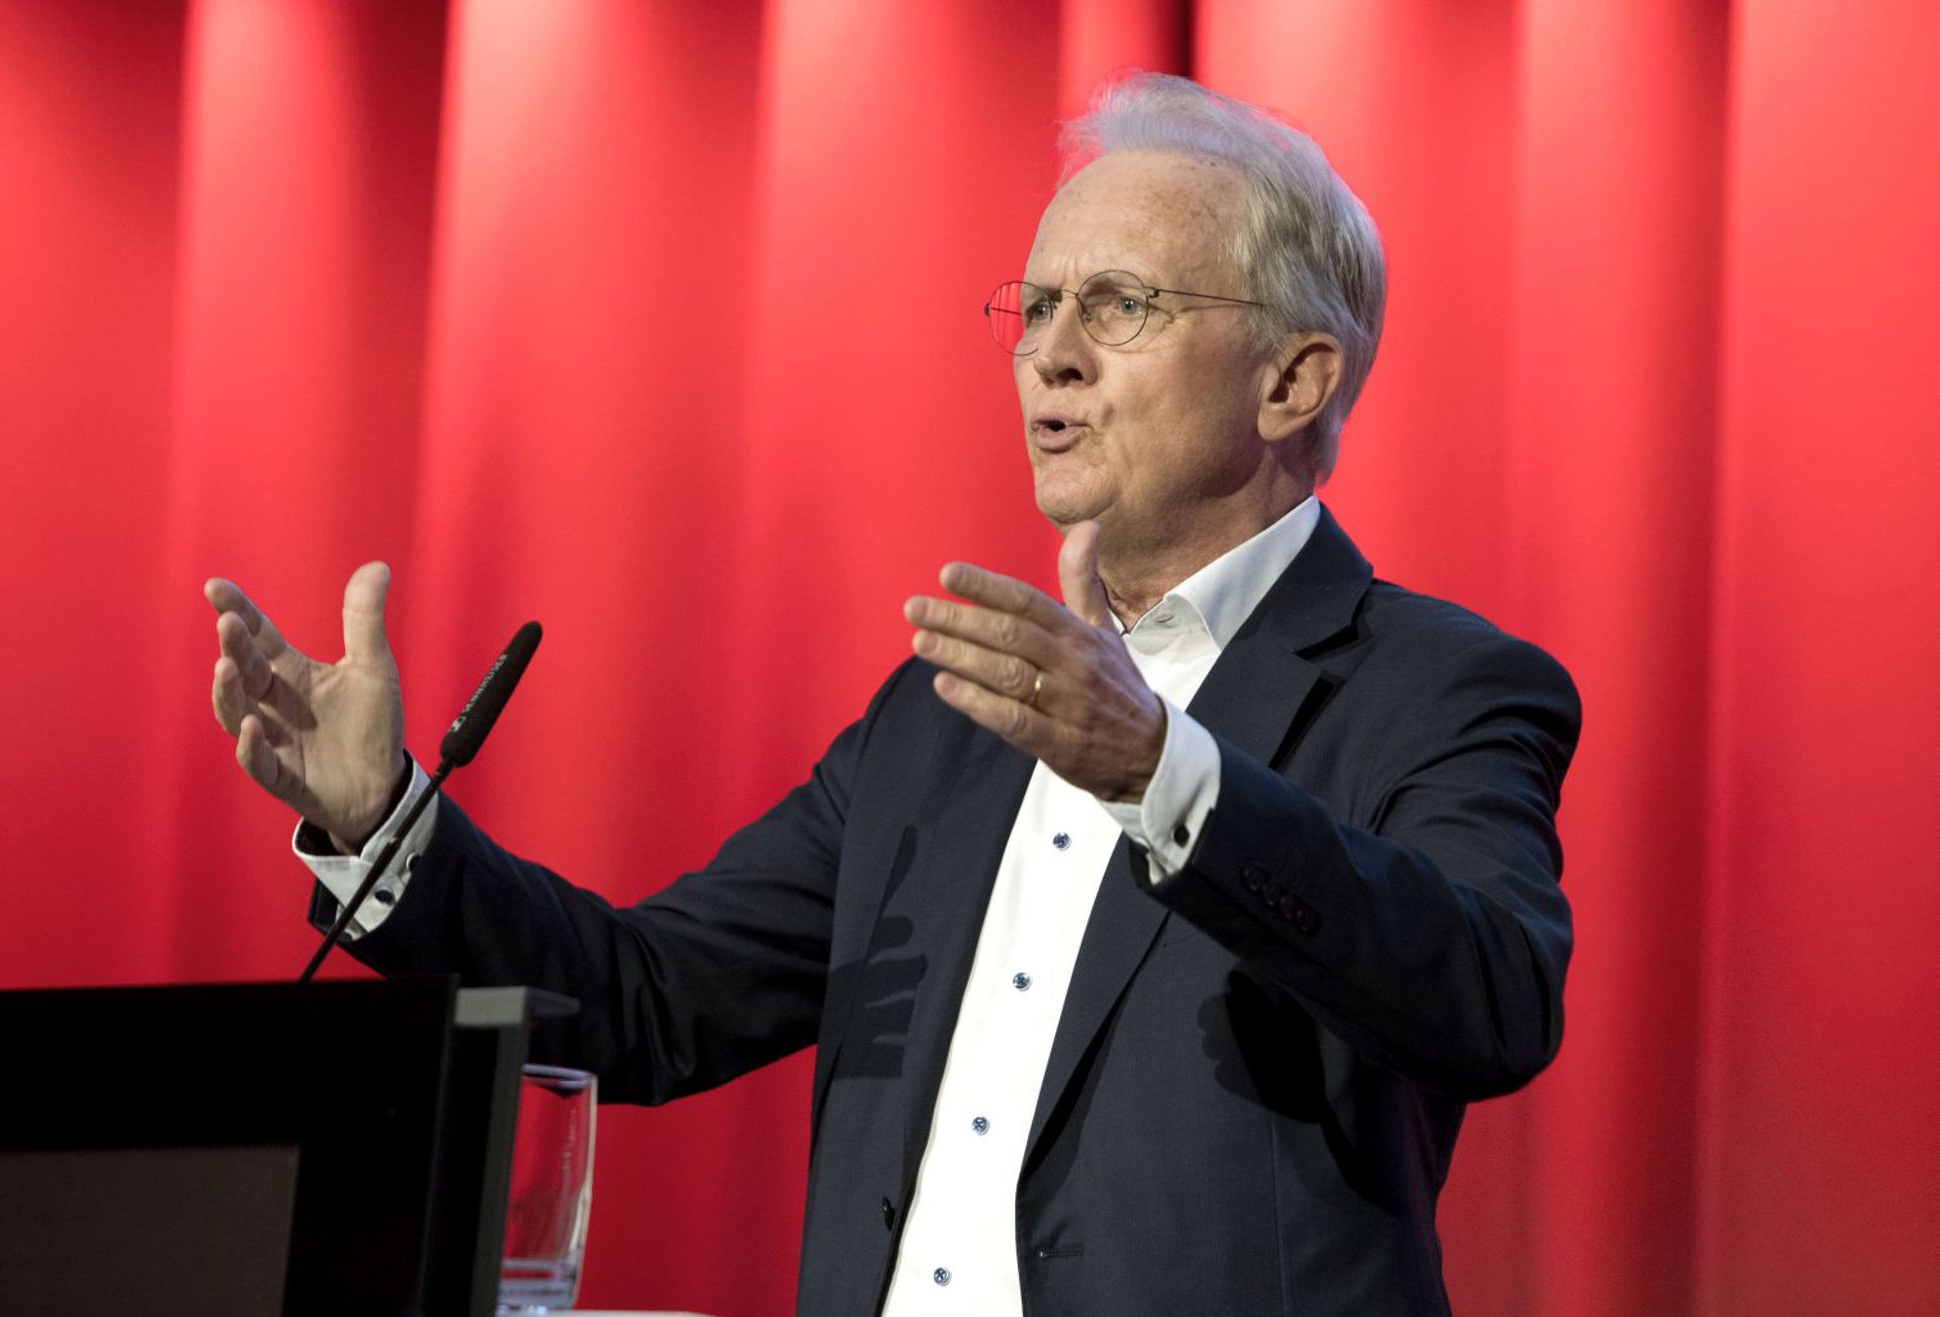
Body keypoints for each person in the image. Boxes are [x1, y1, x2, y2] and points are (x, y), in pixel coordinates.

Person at [206, 73, 1579, 1316]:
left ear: (1293, 379)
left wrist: (1162, 772)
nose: (1050, 355)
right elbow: (648, 998)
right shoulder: (948, 714)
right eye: (1035, 308)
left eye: (1121, 306)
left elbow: (1492, 997)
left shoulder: (1438, 687)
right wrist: (384, 821)